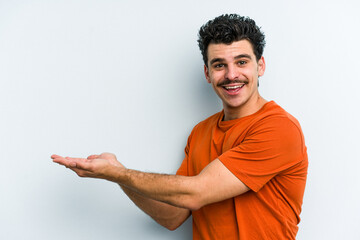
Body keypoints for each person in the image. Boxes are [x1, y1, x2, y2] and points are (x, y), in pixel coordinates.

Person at [52, 14, 308, 239]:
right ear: (207, 73)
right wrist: (117, 174)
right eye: (219, 65)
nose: (231, 75)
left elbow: (195, 193)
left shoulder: (279, 128)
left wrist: (119, 174)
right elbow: (173, 216)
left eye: (242, 62)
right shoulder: (200, 133)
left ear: (260, 66)